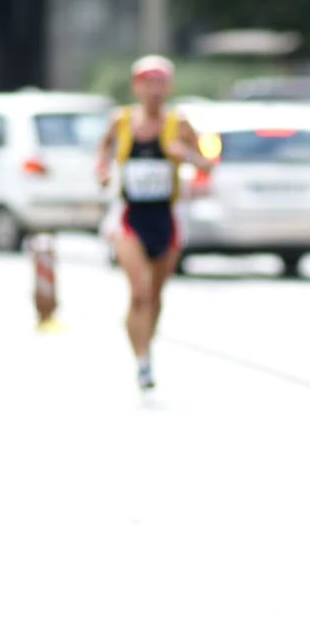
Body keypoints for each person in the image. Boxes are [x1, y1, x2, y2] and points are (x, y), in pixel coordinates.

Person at [95, 55, 211, 390]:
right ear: (137, 87)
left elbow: (207, 164)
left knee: (156, 295)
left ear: (169, 87)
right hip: (129, 216)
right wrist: (102, 172)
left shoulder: (179, 123)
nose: (154, 91)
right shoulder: (121, 121)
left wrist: (185, 155)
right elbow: (102, 152)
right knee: (140, 293)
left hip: (166, 217)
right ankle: (142, 361)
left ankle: (147, 345)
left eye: (160, 84)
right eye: (148, 84)